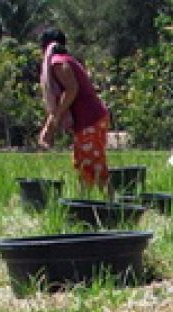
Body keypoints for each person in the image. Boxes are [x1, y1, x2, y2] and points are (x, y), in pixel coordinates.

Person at [37, 27, 112, 194]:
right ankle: (82, 204)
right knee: (83, 163)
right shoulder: (65, 59)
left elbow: (71, 89)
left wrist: (52, 123)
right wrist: (49, 127)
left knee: (93, 163)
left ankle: (113, 206)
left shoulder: (57, 62)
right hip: (91, 119)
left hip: (90, 119)